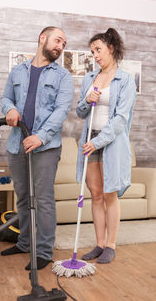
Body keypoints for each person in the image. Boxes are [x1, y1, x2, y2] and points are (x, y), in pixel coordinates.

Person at [0, 26, 74, 270]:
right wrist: (9, 109)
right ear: (43, 38)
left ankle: (43, 251)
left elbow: (61, 111)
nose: (60, 46)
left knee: (43, 199)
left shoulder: (62, 76)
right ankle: (24, 242)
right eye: (57, 40)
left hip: (46, 147)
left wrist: (40, 137)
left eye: (63, 43)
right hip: (17, 144)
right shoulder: (17, 71)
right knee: (22, 196)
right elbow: (6, 98)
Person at [76, 28, 137, 264]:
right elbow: (81, 113)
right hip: (90, 137)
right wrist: (86, 100)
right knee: (96, 195)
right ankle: (99, 244)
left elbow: (121, 119)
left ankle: (111, 245)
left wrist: (97, 142)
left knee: (110, 194)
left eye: (98, 50)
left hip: (110, 142)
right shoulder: (89, 78)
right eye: (92, 52)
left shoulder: (126, 80)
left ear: (111, 48)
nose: (95, 55)